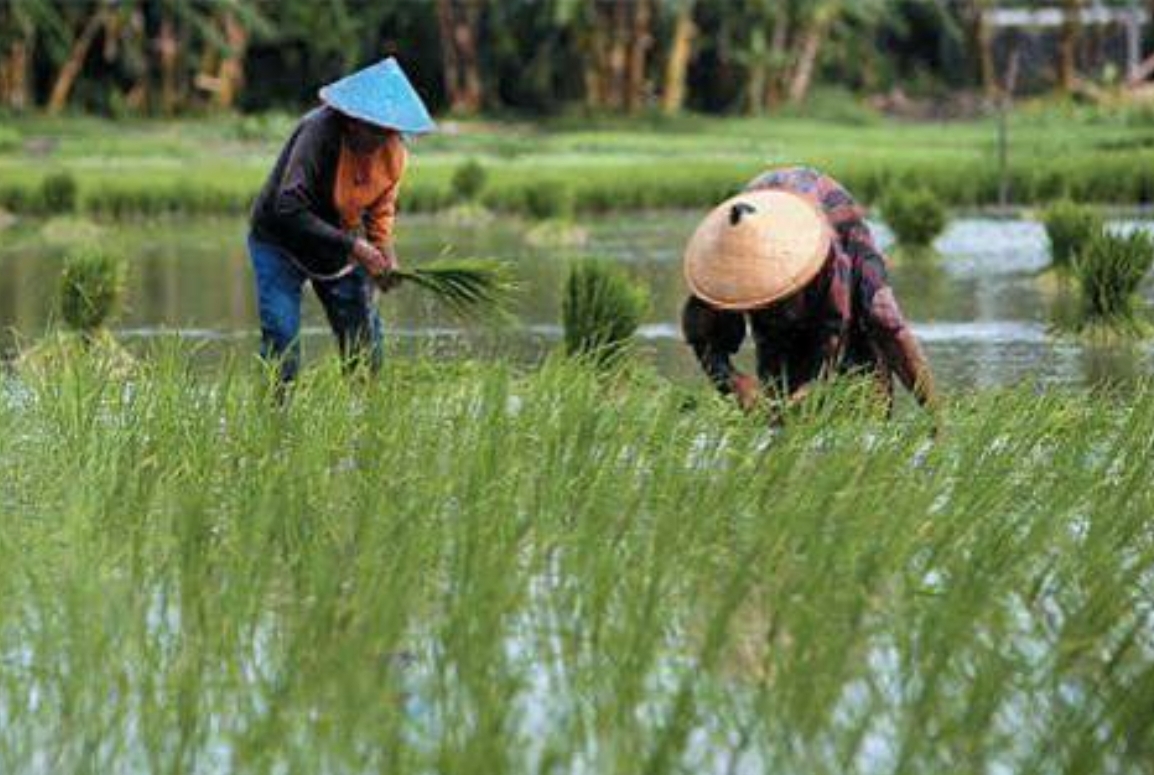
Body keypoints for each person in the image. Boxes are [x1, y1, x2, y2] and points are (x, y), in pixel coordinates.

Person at [681, 166, 937, 415]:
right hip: (764, 228)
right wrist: (734, 381)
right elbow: (703, 342)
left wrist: (812, 386)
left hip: (828, 219)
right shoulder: (719, 268)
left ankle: (938, 421)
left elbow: (835, 328)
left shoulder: (824, 251)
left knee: (881, 317)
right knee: (778, 389)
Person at [248, 58, 436, 383]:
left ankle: (364, 410)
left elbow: (381, 208)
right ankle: (275, 409)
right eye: (374, 130)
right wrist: (356, 247)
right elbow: (289, 207)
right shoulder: (318, 133)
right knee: (282, 337)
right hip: (280, 242)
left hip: (336, 248)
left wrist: (384, 254)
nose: (380, 140)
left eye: (388, 132)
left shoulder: (391, 151)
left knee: (364, 346)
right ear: (352, 120)